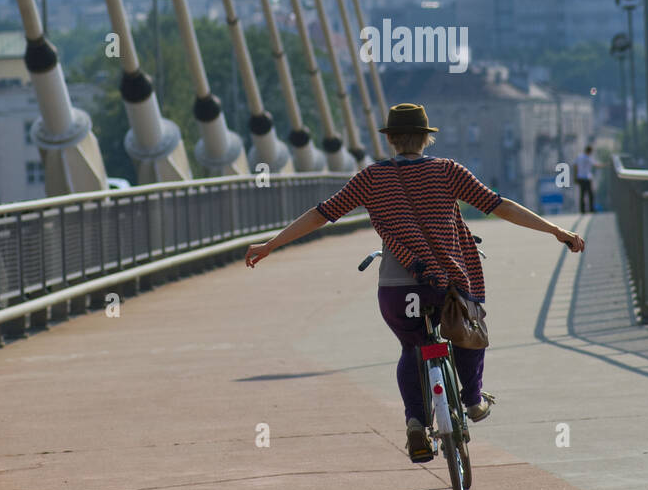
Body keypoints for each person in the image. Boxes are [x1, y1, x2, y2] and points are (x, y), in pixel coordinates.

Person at [246, 103, 585, 463]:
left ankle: (415, 423)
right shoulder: (448, 172)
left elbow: (321, 214)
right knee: (469, 329)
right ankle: (471, 399)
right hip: (447, 283)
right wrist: (556, 230)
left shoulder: (371, 178)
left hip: (396, 288)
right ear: (427, 138)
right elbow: (499, 206)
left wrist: (270, 246)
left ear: (390, 139)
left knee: (413, 348)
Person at [574, 144, 598, 214]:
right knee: (590, 194)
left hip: (580, 177)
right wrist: (605, 165)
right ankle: (591, 209)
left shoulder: (579, 157)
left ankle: (582, 210)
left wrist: (575, 177)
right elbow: (595, 165)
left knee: (582, 194)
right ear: (590, 151)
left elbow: (575, 166)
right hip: (587, 178)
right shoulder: (588, 158)